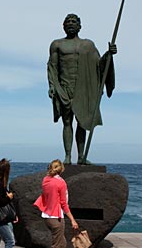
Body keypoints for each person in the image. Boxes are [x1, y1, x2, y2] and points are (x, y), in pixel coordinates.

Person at [48, 13, 117, 165]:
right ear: (63, 26)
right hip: (64, 87)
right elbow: (52, 66)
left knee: (82, 122)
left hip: (83, 88)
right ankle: (67, 157)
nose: (71, 24)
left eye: (74, 22)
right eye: (68, 22)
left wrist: (109, 54)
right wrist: (52, 86)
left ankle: (81, 157)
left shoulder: (88, 45)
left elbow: (99, 65)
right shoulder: (57, 44)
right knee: (67, 122)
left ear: (80, 26)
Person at [33, 159, 79, 248]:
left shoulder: (46, 180)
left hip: (47, 217)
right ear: (61, 169)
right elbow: (64, 203)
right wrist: (73, 220)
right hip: (56, 218)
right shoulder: (61, 183)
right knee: (56, 247)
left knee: (62, 244)